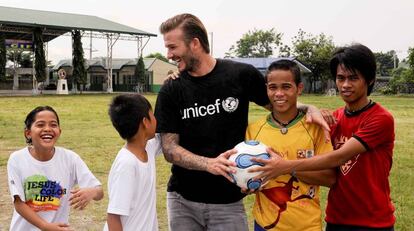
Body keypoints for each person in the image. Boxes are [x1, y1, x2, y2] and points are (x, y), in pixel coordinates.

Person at [155, 13, 330, 231]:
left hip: (228, 202)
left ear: (195, 43)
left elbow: (278, 104)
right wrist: (209, 164)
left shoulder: (240, 75)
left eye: (172, 47)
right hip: (183, 202)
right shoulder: (172, 89)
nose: (169, 55)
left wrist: (310, 108)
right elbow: (169, 148)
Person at [251, 44, 395, 231]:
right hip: (336, 219)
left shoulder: (380, 118)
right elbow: (286, 101)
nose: (345, 85)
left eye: (353, 78)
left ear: (369, 80)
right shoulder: (333, 119)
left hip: (373, 222)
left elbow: (338, 158)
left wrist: (284, 166)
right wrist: (309, 107)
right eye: (340, 78)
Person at [246, 59, 336, 231]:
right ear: (266, 89)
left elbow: (330, 178)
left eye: (286, 87)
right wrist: (247, 183)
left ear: (299, 89)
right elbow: (249, 174)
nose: (279, 93)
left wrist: (286, 167)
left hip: (306, 226)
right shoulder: (254, 130)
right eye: (273, 87)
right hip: (265, 225)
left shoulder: (315, 128)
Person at [7, 106, 103, 231]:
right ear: (28, 133)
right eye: (40, 125)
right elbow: (19, 204)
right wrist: (45, 226)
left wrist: (92, 192)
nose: (47, 129)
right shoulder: (17, 159)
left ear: (59, 131)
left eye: (53, 125)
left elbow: (100, 192)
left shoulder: (70, 159)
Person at [104, 94, 161, 231]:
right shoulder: (127, 164)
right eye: (152, 115)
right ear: (145, 122)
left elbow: (163, 136)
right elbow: (113, 217)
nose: (156, 119)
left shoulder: (148, 147)